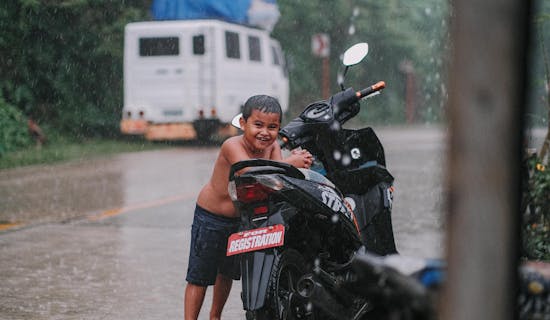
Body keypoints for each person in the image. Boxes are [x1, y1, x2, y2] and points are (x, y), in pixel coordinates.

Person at [184, 95, 312, 320]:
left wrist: (298, 164)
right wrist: (289, 163)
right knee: (199, 276)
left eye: (272, 127)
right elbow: (251, 172)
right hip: (212, 217)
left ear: (279, 128)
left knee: (227, 273)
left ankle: (215, 317)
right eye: (258, 125)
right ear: (243, 124)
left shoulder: (272, 148)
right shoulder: (231, 145)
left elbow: (277, 179)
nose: (265, 132)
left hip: (241, 221)